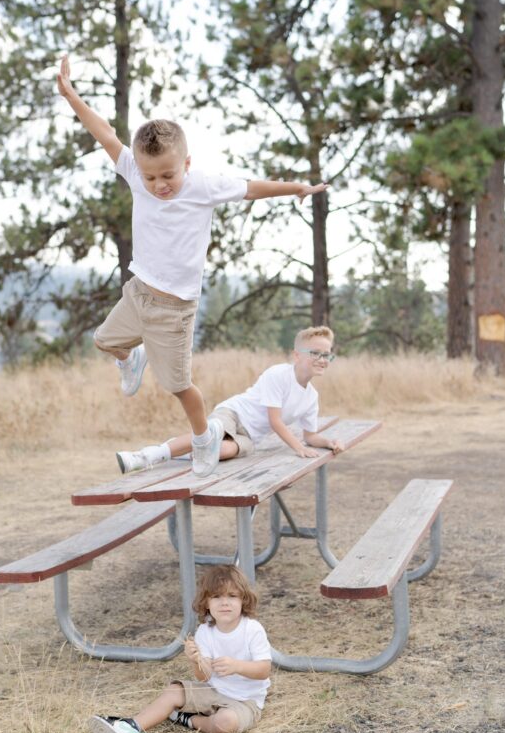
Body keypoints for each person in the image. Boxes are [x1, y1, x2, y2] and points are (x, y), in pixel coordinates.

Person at [57, 55, 328, 477]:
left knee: (179, 387)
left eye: (167, 175)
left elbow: (251, 188)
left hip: (175, 309)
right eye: (150, 179)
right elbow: (104, 132)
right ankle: (132, 359)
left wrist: (295, 187)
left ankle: (203, 438)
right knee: (104, 341)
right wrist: (71, 94)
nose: (159, 185)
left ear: (185, 163)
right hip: (138, 292)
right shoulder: (134, 170)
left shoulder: (203, 186)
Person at [115, 325, 343, 474]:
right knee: (212, 435)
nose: (322, 359)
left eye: (326, 354)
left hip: (251, 436)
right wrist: (297, 449)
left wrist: (329, 443)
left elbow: (310, 436)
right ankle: (146, 456)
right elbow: (276, 421)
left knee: (221, 452)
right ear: (297, 355)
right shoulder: (279, 374)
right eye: (315, 353)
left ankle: (188, 448)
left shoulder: (311, 397)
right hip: (234, 414)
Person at [89, 565, 271, 733]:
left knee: (225, 723)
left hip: (245, 701)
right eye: (217, 597)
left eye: (232, 596)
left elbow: (264, 670)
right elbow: (204, 677)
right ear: (207, 602)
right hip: (213, 690)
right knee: (174, 690)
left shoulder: (252, 629)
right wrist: (195, 660)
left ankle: (189, 719)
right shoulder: (205, 631)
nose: (225, 602)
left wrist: (237, 666)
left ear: (243, 599)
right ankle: (132, 727)